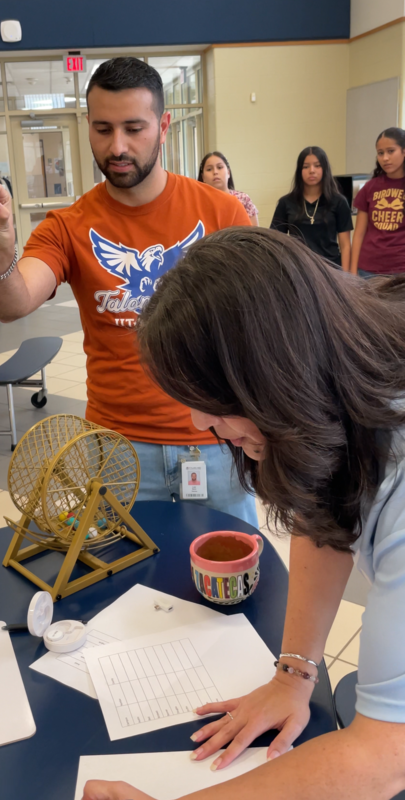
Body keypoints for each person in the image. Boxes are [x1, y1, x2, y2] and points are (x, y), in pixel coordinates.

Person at [82, 226, 405, 800]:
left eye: (212, 407)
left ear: (276, 380)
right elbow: (324, 507)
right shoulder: (344, 369)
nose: (200, 427)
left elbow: (386, 759)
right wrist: (294, 672)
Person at [0, 57, 257, 524]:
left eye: (134, 128)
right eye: (103, 129)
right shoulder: (68, 224)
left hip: (217, 443)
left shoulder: (221, 213)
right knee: (122, 587)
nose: (117, 146)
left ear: (163, 126)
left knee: (226, 586)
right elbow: (14, 303)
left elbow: (261, 326)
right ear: (87, 127)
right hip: (118, 448)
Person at [270, 146, 352, 270]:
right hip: (299, 269)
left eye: (317, 165)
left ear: (325, 169)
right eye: (306, 166)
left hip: (331, 269)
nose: (312, 170)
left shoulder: (339, 202)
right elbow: (275, 240)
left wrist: (346, 277)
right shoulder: (285, 203)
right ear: (299, 171)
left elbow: (345, 245)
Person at [350, 127, 405, 278]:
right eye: (380, 153)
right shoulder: (370, 188)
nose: (385, 158)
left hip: (401, 270)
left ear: (404, 151)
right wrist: (353, 272)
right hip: (368, 270)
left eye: (390, 151)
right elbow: (359, 233)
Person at [198, 152, 258, 225]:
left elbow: (255, 233)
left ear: (228, 173)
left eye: (219, 167)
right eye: (209, 169)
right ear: (203, 177)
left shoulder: (243, 199)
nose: (215, 172)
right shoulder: (198, 203)